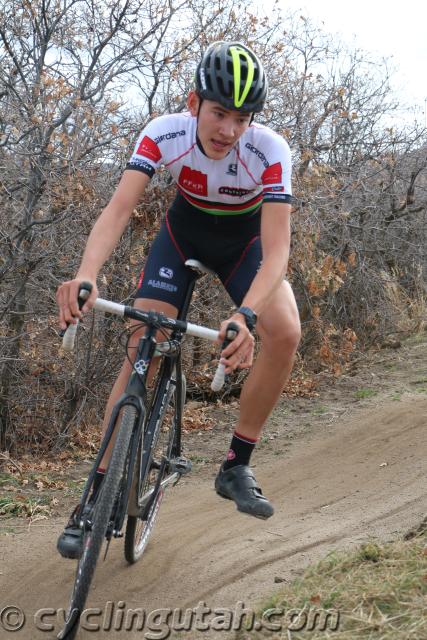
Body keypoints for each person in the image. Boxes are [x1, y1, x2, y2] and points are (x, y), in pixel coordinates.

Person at [56, 41, 301, 559]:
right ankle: (94, 494)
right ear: (194, 104)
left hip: (245, 248)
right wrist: (86, 274)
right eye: (218, 113)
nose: (228, 130)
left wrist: (245, 314)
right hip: (182, 235)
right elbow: (119, 208)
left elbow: (278, 252)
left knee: (284, 332)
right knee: (145, 338)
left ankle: (236, 462)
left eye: (241, 118)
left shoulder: (270, 150)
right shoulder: (163, 133)